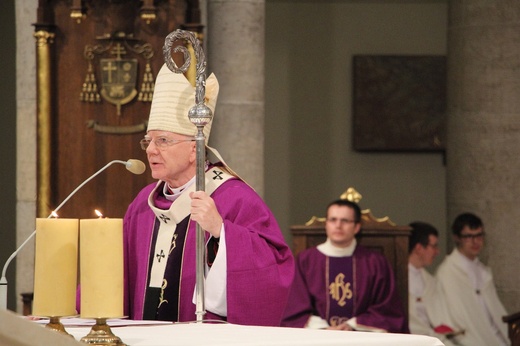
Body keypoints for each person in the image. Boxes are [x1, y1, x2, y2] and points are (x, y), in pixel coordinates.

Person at [123, 64, 295, 326]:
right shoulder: (142, 205)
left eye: (163, 141)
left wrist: (221, 231)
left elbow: (275, 267)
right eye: (148, 141)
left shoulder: (235, 197)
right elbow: (116, 270)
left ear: (195, 149)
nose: (151, 151)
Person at [281, 199, 409, 333]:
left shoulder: (374, 262)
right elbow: (295, 307)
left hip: (362, 339)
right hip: (318, 338)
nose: (338, 225)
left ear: (357, 227)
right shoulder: (306, 260)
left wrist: (353, 325)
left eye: (345, 221)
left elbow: (388, 309)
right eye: (333, 220)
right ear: (326, 224)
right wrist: (323, 328)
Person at [436, 212, 509, 346]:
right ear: (457, 238)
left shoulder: (483, 271)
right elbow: (450, 317)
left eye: (479, 235)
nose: (475, 242)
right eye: (469, 236)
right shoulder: (447, 272)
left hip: (497, 336)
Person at [408, 222, 462, 345]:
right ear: (419, 248)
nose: (437, 252)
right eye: (434, 246)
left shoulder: (430, 281)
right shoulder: (397, 279)